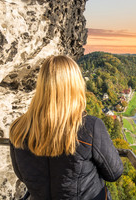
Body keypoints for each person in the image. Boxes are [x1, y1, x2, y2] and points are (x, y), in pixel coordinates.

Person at [9, 55, 123, 200]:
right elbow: (114, 173)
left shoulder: (18, 128)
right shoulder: (89, 127)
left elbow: (21, 174)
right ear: (76, 85)